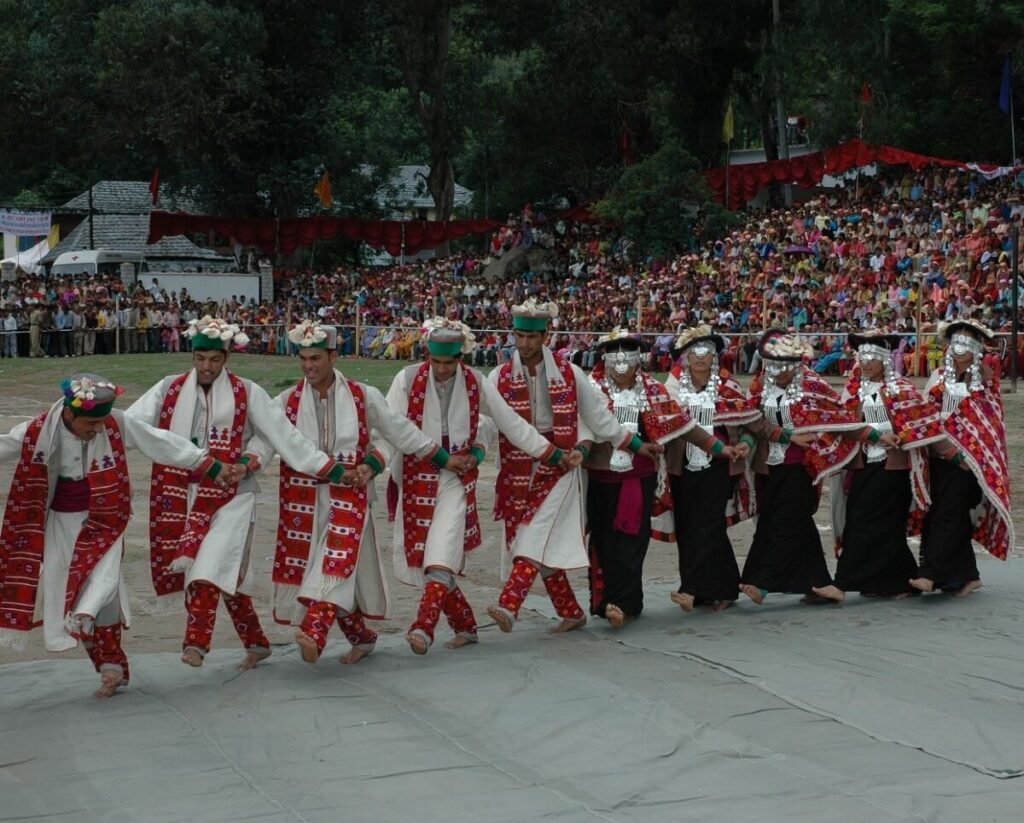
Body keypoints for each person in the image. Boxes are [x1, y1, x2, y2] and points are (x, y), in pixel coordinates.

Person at [127, 316, 352, 671]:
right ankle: (257, 642)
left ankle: (196, 641)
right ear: (192, 356)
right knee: (228, 575)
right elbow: (131, 425)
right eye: (201, 359)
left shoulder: (247, 391)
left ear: (226, 357)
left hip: (234, 493)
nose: (207, 367)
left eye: (215, 359)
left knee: (210, 566)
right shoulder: (167, 388)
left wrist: (250, 462)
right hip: (180, 492)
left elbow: (278, 436)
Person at [0, 374, 225, 698]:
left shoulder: (116, 423)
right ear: (69, 414)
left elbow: (157, 440)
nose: (97, 429)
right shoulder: (38, 431)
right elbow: (5, 445)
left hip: (106, 519)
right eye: (90, 423)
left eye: (101, 422)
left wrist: (205, 462)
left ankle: (112, 668)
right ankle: (107, 664)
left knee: (103, 593)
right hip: (60, 523)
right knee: (73, 601)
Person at [254, 321, 453, 665]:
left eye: (315, 358)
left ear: (333, 356)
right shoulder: (285, 400)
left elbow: (397, 433)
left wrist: (377, 464)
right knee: (338, 571)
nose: (308, 366)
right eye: (302, 359)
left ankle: (315, 630)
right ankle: (362, 637)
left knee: (336, 561)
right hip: (302, 499)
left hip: (351, 496)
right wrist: (246, 464)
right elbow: (266, 441)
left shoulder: (364, 396)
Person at [386, 318, 565, 654]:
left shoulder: (475, 382)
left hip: (455, 479)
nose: (441, 370)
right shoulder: (406, 379)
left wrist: (551, 454)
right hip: (413, 478)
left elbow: (509, 423)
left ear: (460, 358)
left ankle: (423, 627)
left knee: (443, 551)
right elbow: (393, 426)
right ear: (428, 355)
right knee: (430, 555)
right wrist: (437, 456)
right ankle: (465, 626)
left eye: (448, 362)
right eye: (436, 362)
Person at [485, 300, 663, 634]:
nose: (524, 344)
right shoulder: (498, 376)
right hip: (518, 467)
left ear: (546, 336)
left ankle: (510, 605)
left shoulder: (569, 373)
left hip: (563, 466)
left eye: (532, 337)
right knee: (540, 539)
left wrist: (636, 445)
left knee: (534, 533)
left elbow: (597, 417)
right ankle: (571, 611)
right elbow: (491, 421)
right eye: (519, 336)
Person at [583, 328, 726, 628]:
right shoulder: (591, 388)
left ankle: (624, 603)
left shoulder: (652, 389)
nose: (621, 361)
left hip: (638, 477)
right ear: (605, 359)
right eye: (614, 354)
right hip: (599, 478)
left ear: (638, 360)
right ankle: (606, 600)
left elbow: (682, 425)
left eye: (628, 354)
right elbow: (579, 428)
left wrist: (718, 447)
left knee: (631, 539)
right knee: (603, 539)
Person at [741, 331, 862, 606]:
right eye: (772, 365)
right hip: (768, 467)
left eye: (783, 366)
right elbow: (751, 419)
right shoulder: (760, 386)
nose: (777, 372)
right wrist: (748, 445)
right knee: (784, 523)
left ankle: (764, 582)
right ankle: (821, 582)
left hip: (800, 466)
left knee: (785, 521)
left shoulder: (813, 384)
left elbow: (838, 414)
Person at [831, 331, 946, 597]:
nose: (866, 363)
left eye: (872, 358)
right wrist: (868, 434)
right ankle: (897, 580)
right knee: (865, 519)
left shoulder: (902, 388)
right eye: (863, 357)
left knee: (876, 521)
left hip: (893, 466)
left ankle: (843, 582)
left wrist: (900, 436)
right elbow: (844, 423)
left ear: (885, 360)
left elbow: (922, 422)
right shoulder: (853, 390)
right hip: (865, 464)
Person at [663, 325, 762, 613]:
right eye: (694, 351)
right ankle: (715, 588)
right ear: (685, 356)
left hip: (719, 466)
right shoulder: (671, 388)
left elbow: (749, 423)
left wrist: (743, 442)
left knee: (709, 525)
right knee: (687, 525)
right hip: (682, 467)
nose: (700, 357)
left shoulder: (728, 387)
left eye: (706, 351)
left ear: (715, 356)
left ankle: (695, 590)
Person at [912, 320, 1014, 596]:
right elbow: (925, 411)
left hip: (969, 462)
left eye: (967, 343)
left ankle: (930, 574)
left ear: (977, 349)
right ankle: (967, 575)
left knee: (948, 513)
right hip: (937, 454)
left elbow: (989, 425)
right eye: (955, 342)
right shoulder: (938, 377)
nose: (959, 349)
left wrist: (970, 453)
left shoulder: (983, 383)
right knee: (943, 514)